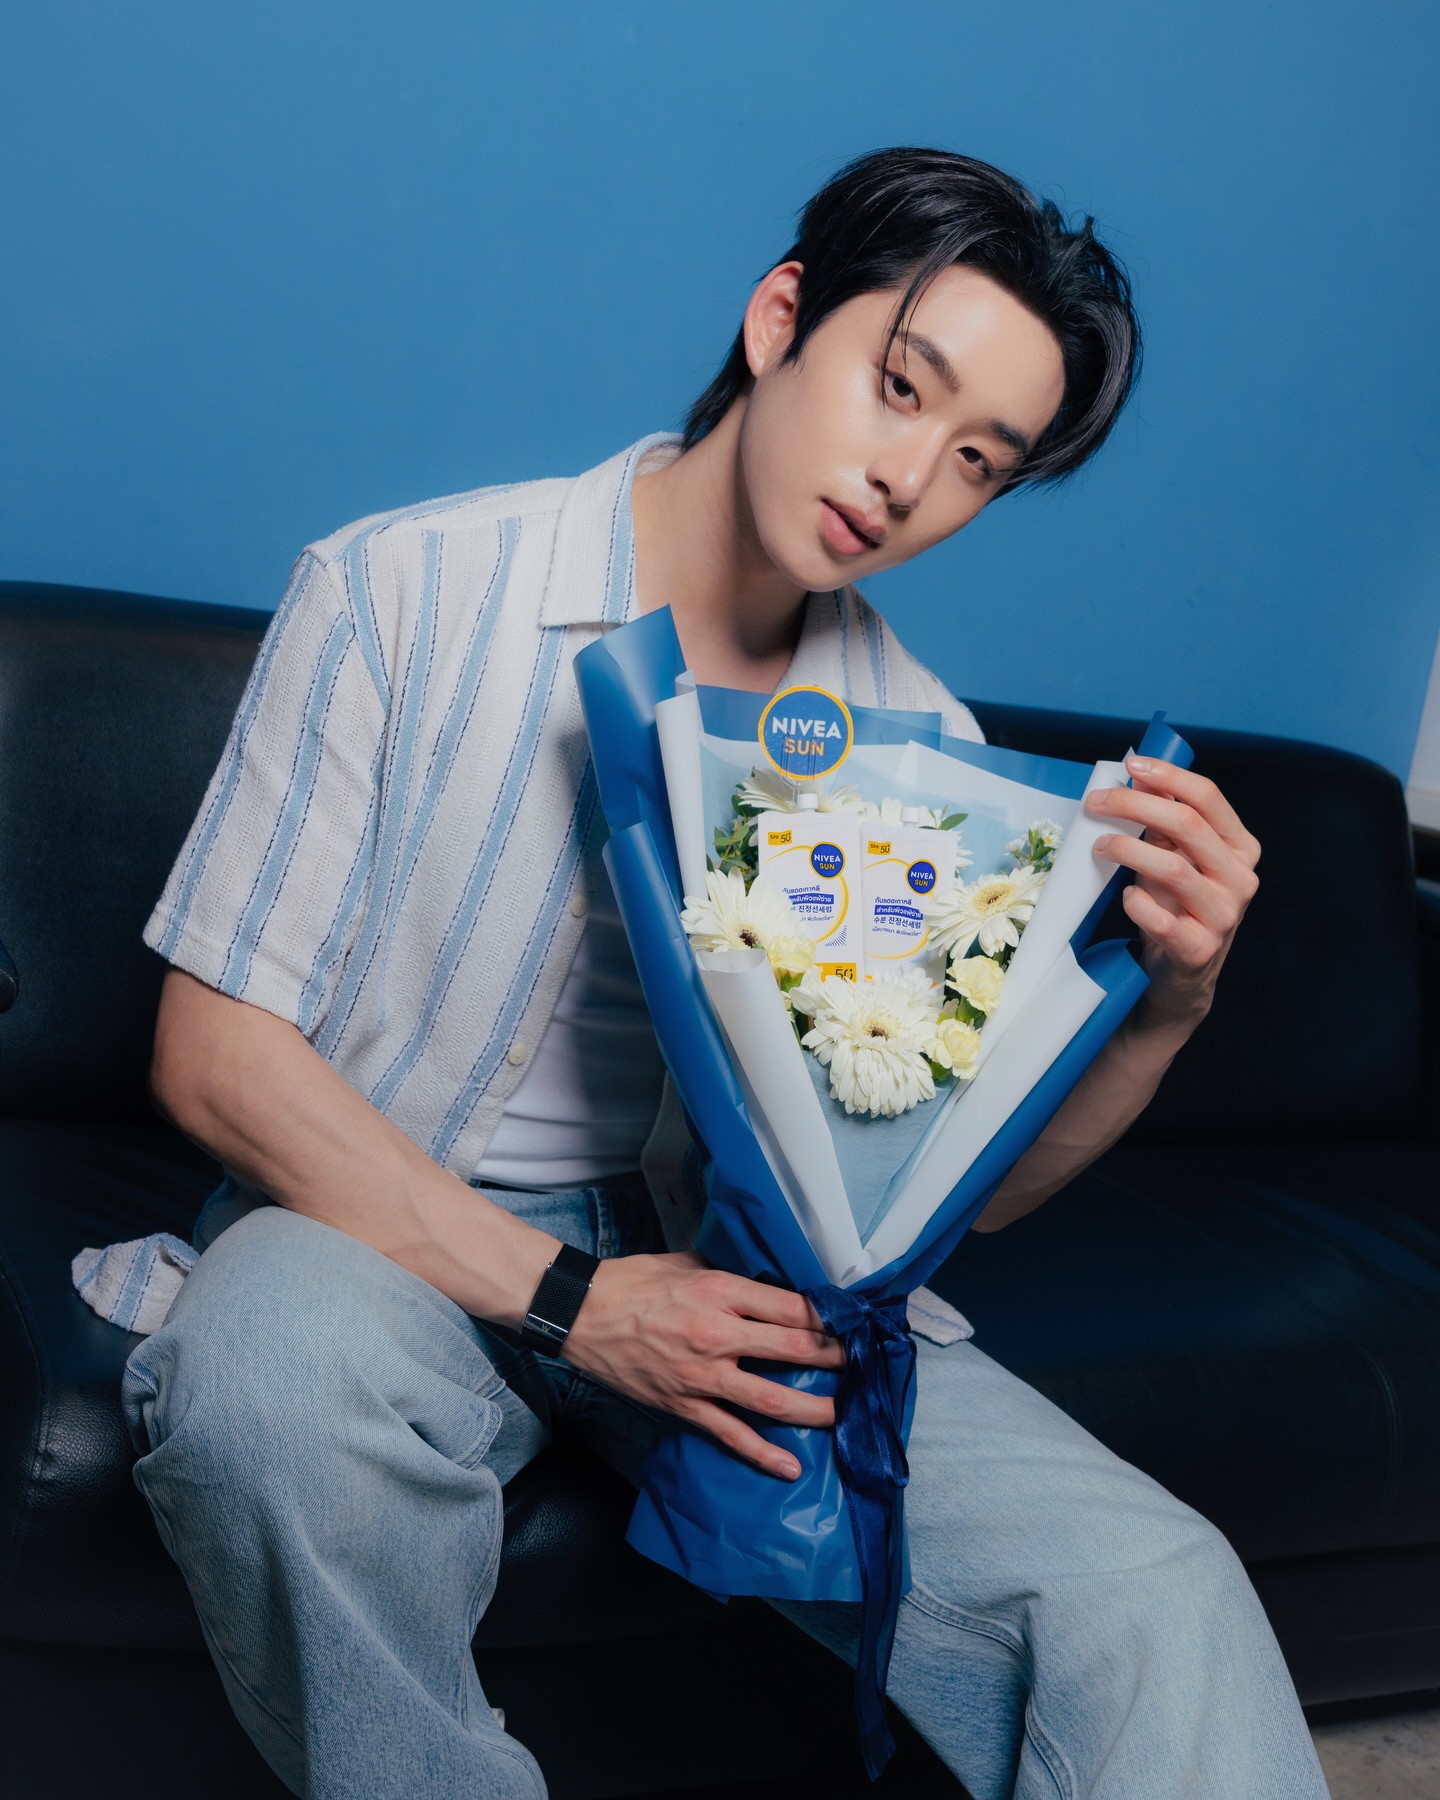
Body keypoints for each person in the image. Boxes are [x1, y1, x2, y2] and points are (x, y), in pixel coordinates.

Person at [122, 148, 1327, 1799]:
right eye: (900, 386)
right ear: (780, 320)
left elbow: (956, 1193)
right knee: (266, 1381)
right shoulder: (402, 589)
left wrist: (1168, 1002)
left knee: (1156, 1594)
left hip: (742, 1284)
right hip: (372, 1230)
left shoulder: (922, 750)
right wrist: (576, 1302)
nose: (909, 478)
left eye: (979, 460)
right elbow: (213, 1054)